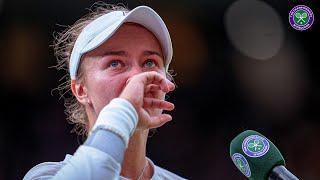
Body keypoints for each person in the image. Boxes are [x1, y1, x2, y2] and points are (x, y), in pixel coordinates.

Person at [23, 3, 186, 180]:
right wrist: (125, 108)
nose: (138, 77)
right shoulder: (44, 176)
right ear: (81, 89)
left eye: (149, 62)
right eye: (115, 63)